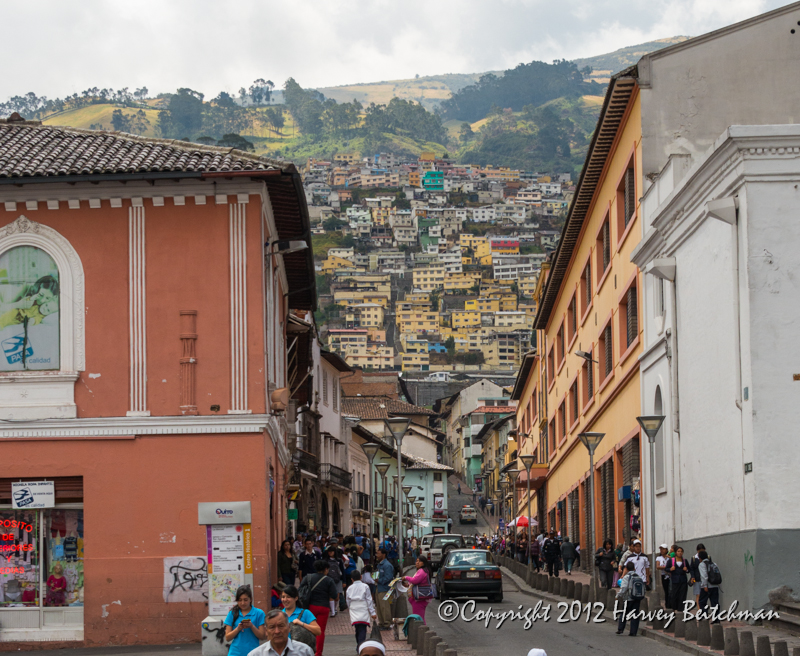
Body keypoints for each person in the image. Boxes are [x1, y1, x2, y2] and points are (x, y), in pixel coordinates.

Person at [304, 559, 339, 656]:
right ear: (326, 569)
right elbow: (334, 595)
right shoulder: (329, 580)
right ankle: (318, 653)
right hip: (324, 607)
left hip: (310, 606)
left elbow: (300, 590)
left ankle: (308, 650)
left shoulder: (308, 578)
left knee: (309, 628)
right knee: (320, 631)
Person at [247, 609, 314, 656]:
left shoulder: (305, 651)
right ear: (266, 631)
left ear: (289, 628)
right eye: (272, 627)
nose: (277, 631)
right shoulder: (256, 654)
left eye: (281, 626)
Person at [223, 585, 267, 656]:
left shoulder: (259, 613)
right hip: (235, 653)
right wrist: (238, 628)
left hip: (253, 652)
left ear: (251, 599)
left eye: (245, 600)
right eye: (240, 600)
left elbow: (262, 636)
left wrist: (251, 626)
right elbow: (227, 638)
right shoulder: (232, 613)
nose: (242, 603)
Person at [346, 570, 377, 649]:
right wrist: (372, 612)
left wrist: (350, 608)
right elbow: (369, 600)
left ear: (352, 579)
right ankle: (361, 645)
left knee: (357, 628)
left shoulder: (349, 588)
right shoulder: (365, 586)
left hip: (354, 607)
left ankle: (359, 645)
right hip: (363, 607)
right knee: (363, 628)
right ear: (361, 577)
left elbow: (348, 600)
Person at [615, 562, 644, 636]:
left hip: (628, 598)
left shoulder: (626, 577)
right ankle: (633, 632)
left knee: (624, 613)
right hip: (637, 598)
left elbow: (624, 588)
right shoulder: (638, 577)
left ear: (626, 569)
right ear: (634, 568)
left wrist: (618, 596)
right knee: (635, 614)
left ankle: (620, 629)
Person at [403, 555, 434, 624]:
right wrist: (408, 584)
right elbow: (416, 582)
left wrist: (406, 577)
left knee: (418, 618)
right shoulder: (423, 571)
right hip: (420, 598)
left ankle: (421, 632)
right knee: (420, 617)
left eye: (419, 561)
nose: (417, 563)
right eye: (416, 561)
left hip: (420, 598)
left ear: (424, 563)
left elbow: (415, 580)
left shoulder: (422, 571)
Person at [374, 547, 395, 629]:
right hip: (379, 588)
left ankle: (387, 623)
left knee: (385, 607)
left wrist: (379, 580)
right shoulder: (379, 565)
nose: (377, 555)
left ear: (384, 554)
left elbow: (388, 577)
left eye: (378, 553)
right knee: (379, 607)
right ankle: (381, 622)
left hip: (385, 589)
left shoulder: (387, 565)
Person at [697, 549, 721, 621]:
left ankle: (704, 618)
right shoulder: (714, 564)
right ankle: (716, 619)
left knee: (702, 602)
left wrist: (705, 585)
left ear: (700, 558)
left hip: (707, 586)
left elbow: (704, 576)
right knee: (715, 603)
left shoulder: (702, 564)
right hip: (715, 586)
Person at [667, 546, 690, 613]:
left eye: (681, 551)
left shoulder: (684, 561)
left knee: (682, 595)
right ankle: (674, 609)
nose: (680, 553)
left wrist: (687, 570)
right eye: (678, 551)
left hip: (683, 580)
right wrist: (670, 569)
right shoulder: (671, 560)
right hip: (675, 580)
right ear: (676, 552)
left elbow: (689, 569)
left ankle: (681, 610)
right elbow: (666, 568)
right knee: (674, 595)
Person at [324, 545, 343, 617]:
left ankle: (334, 608)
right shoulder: (326, 561)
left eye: (331, 551)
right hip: (329, 580)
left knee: (337, 596)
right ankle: (332, 611)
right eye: (329, 552)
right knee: (331, 595)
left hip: (338, 580)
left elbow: (342, 571)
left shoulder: (339, 560)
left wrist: (343, 581)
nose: (330, 553)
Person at [689, 543, 706, 608]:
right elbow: (692, 568)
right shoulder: (694, 558)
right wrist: (693, 576)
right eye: (699, 551)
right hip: (697, 579)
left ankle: (704, 609)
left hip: (705, 579)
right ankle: (699, 610)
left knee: (704, 595)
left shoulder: (707, 557)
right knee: (698, 595)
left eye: (702, 550)